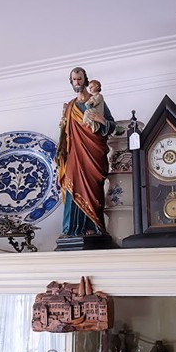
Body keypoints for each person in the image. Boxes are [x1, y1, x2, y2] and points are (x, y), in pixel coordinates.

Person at [57, 67, 115, 237]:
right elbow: (64, 132)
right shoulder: (70, 106)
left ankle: (94, 227)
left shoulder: (97, 101)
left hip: (93, 153)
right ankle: (70, 230)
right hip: (74, 154)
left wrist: (100, 119)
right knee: (71, 187)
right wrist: (61, 149)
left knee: (93, 189)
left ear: (86, 80)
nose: (77, 82)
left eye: (80, 79)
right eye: (74, 80)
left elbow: (112, 125)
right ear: (71, 82)